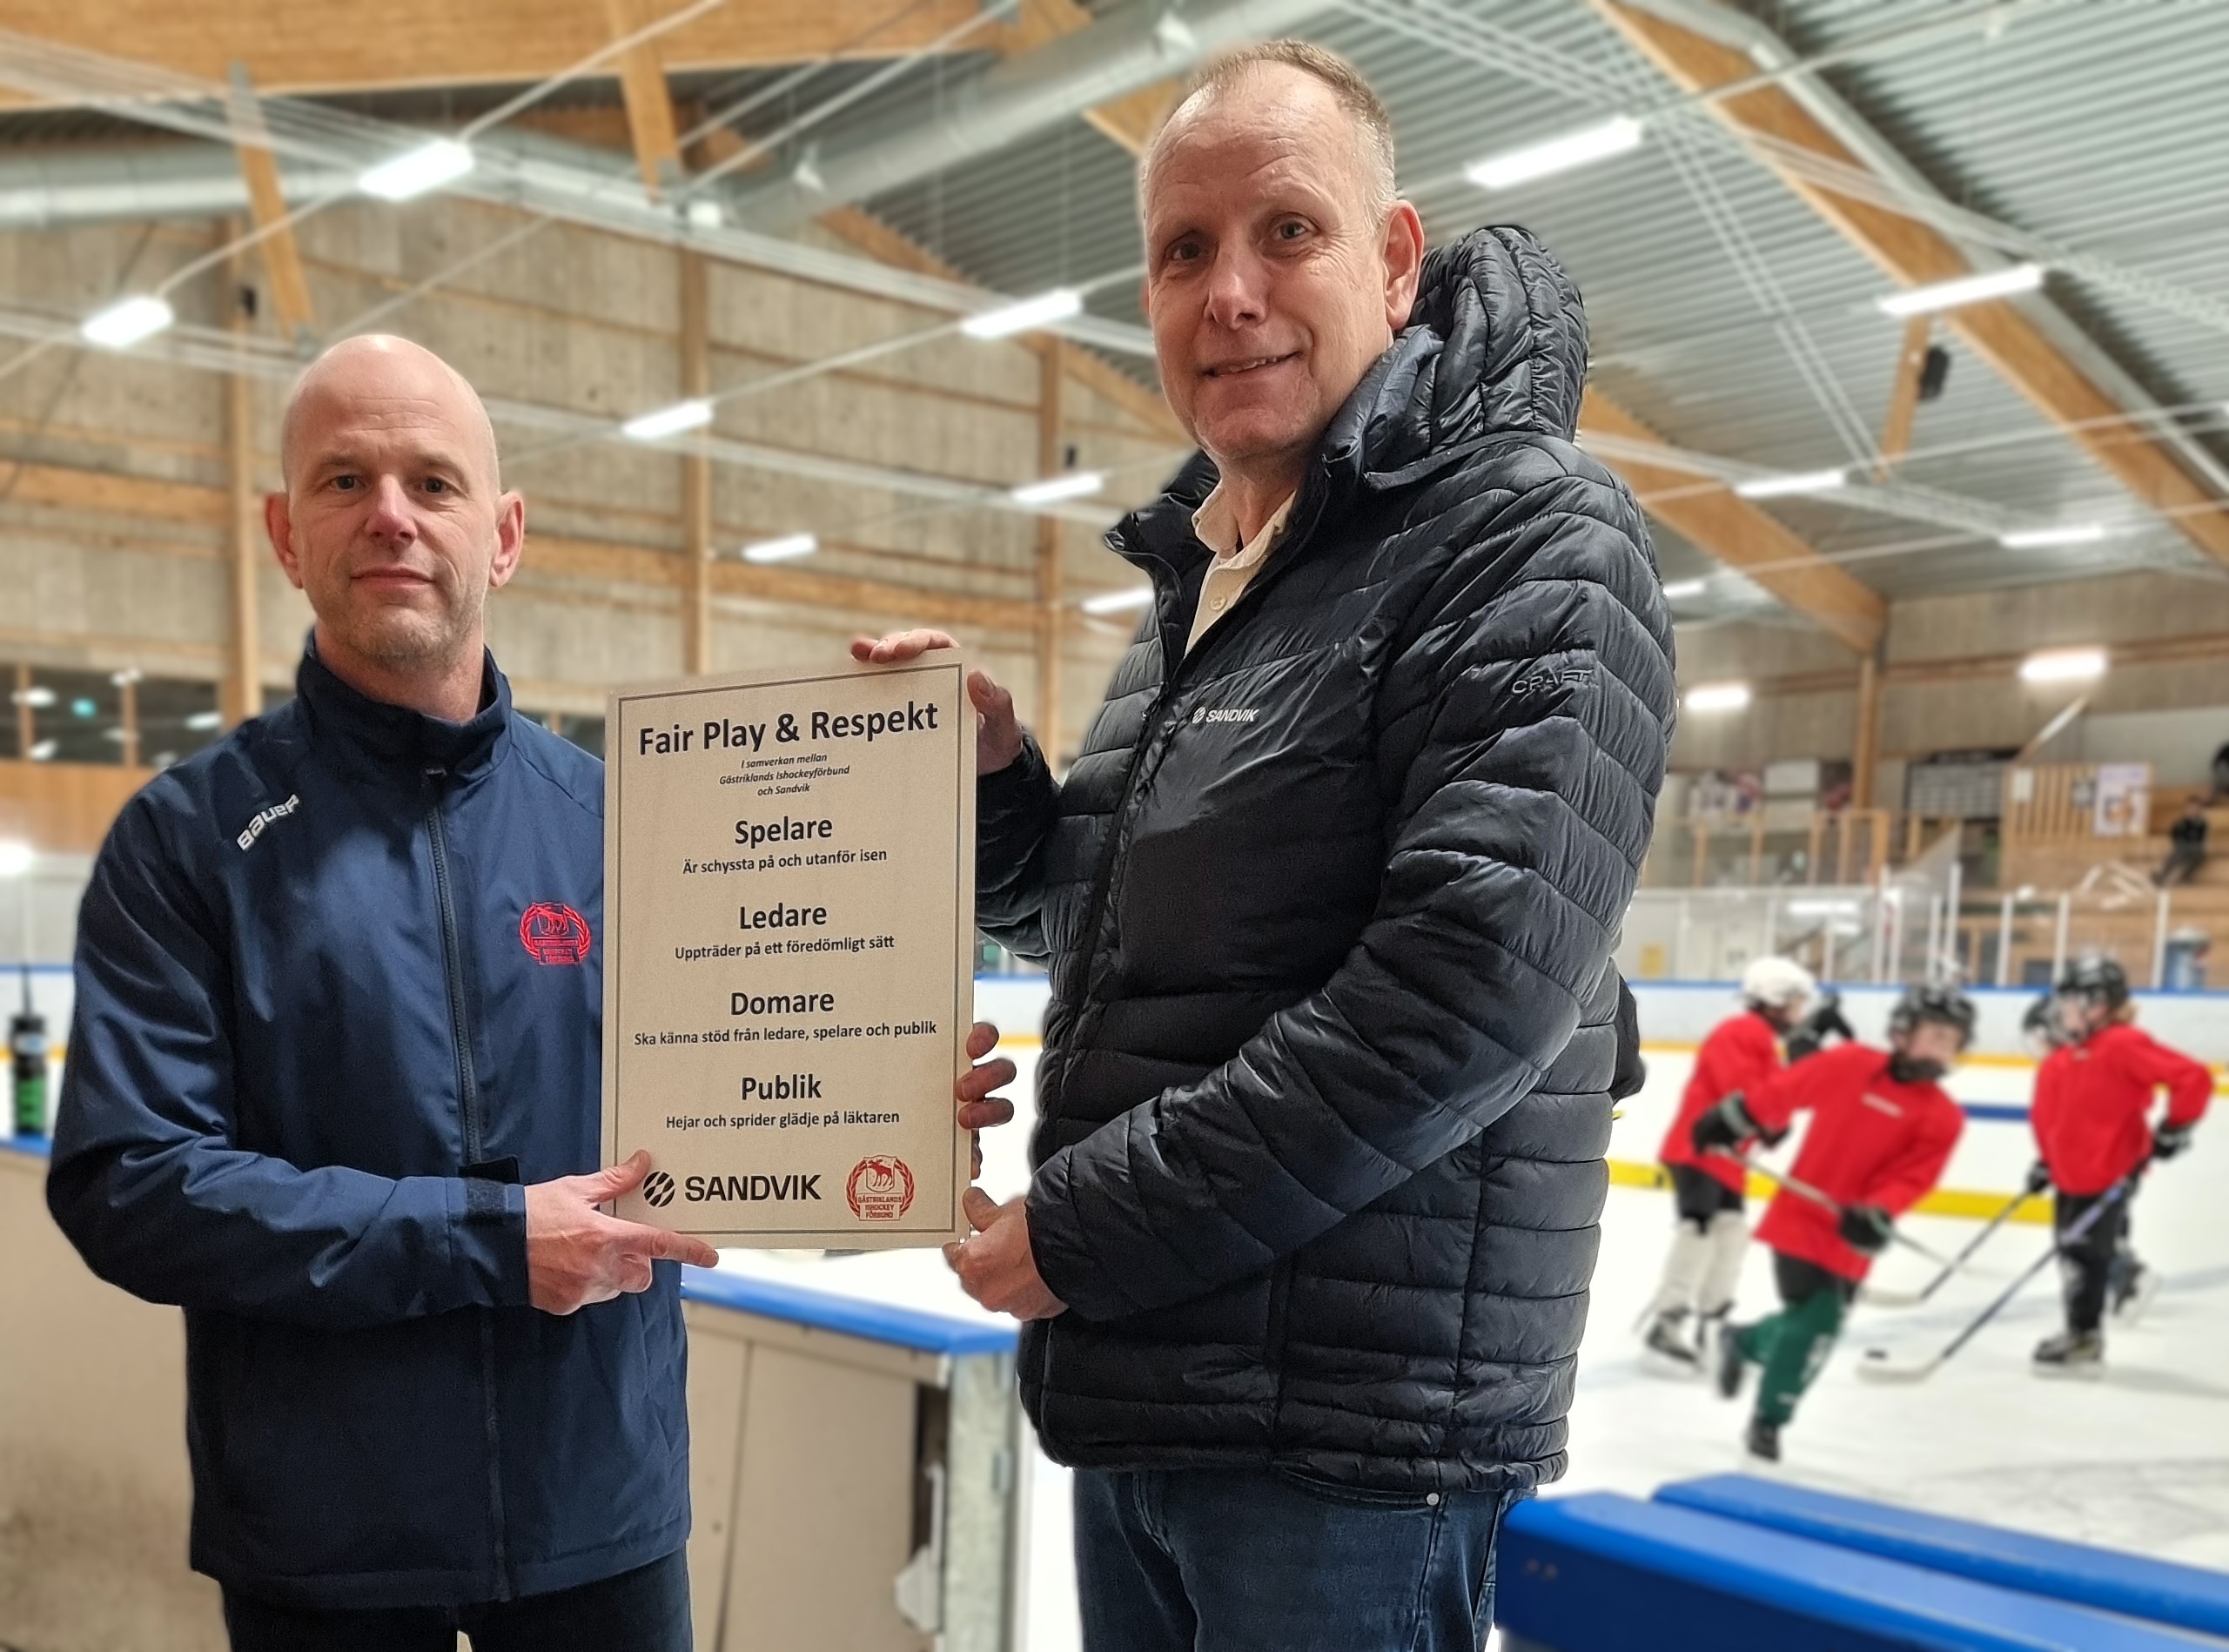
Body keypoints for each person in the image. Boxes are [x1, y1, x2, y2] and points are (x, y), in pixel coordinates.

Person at [857, 40, 1673, 1652]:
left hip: (1346, 1448)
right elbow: (1118, 935)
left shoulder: (1530, 537)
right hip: (1156, 1388)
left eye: (1286, 231)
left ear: (1394, 258)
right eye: (1184, 250)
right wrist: (1000, 778)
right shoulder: (1213, 579)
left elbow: (1460, 996)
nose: (1229, 292)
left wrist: (1086, 1228)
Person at [44, 336, 1017, 1649]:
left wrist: (884, 1097)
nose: (392, 513)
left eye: (433, 481)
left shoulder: (635, 825)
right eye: (345, 480)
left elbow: (747, 1087)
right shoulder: (189, 839)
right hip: (326, 1544)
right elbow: (134, 1183)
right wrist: (486, 1238)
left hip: (598, 1516)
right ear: (284, 532)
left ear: (502, 536)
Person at [1702, 984, 1971, 1461]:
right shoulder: (1850, 1065)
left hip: (1854, 1234)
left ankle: (1745, 1341)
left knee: (1808, 1324)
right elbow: (1788, 1089)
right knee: (1819, 1323)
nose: (1940, 1049)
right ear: (1904, 1031)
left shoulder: (1943, 1117)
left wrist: (1878, 1210)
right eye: (1934, 1035)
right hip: (1800, 1219)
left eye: (1950, 1041)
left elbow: (1912, 1179)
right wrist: (1737, 1116)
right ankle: (1770, 1419)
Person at [2026, 957, 2210, 1372]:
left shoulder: (2121, 1045)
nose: (2062, 1010)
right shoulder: (2064, 1059)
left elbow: (2193, 1077)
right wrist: (2046, 1163)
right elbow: (2057, 1123)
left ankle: (2085, 1336)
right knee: (2073, 1253)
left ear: (2098, 1004)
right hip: (2071, 1176)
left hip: (2108, 1172)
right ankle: (2095, 1315)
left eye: (2071, 1002)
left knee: (2084, 1255)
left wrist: (2175, 1128)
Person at [1642, 957, 1817, 1371]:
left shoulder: (1764, 1040)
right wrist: (1788, 1085)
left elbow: (1772, 1121)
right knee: (1699, 1230)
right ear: (1773, 999)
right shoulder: (1740, 1031)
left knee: (1732, 1233)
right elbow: (1744, 1097)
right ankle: (1668, 1321)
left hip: (1728, 1161)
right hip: (1700, 1150)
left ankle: (1713, 1322)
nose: (1799, 1012)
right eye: (1794, 1002)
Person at [2157, 796, 2209, 886]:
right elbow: (2174, 835)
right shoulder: (2181, 822)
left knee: (2199, 855)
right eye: (2191, 808)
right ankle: (2163, 875)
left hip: (2196, 847)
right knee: (2177, 854)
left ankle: (2185, 876)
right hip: (2182, 846)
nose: (2193, 810)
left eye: (2196, 808)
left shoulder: (2202, 823)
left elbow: (2202, 837)